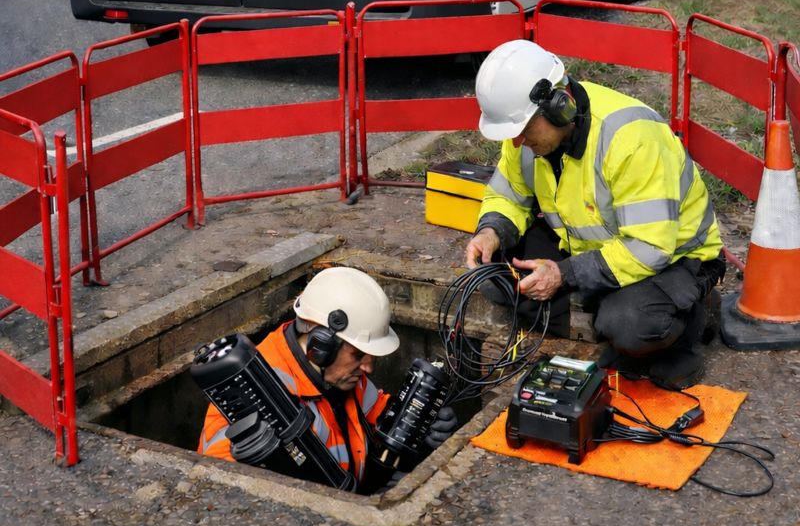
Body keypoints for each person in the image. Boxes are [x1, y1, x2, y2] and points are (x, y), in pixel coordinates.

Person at [466, 40, 726, 387]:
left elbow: (649, 248)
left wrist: (564, 274)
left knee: (629, 324)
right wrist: (491, 231)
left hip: (672, 257)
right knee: (495, 278)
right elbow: (508, 195)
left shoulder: (632, 139)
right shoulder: (526, 136)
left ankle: (692, 318)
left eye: (525, 130)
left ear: (560, 106)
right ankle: (601, 309)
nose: (517, 142)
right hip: (590, 249)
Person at [198, 266, 457, 491]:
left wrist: (420, 428)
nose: (368, 368)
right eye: (358, 354)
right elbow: (220, 492)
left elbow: (376, 416)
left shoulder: (341, 375)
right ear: (321, 346)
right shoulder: (249, 400)